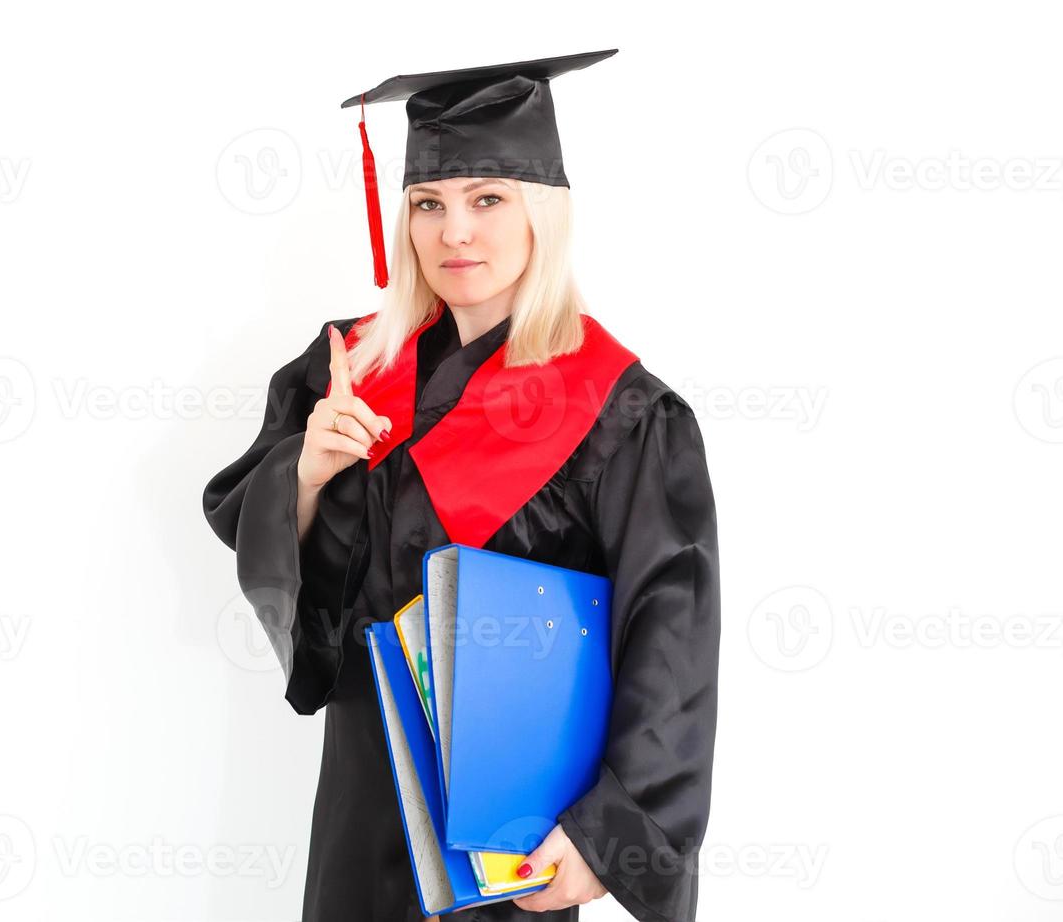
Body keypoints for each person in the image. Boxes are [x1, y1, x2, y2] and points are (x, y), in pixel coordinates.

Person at [202, 51, 720, 922]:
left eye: (488, 200)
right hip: (362, 807)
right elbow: (276, 557)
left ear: (541, 216)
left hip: (515, 833)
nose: (456, 234)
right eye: (429, 205)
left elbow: (669, 634)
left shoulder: (620, 411)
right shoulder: (353, 365)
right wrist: (306, 472)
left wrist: (606, 835)